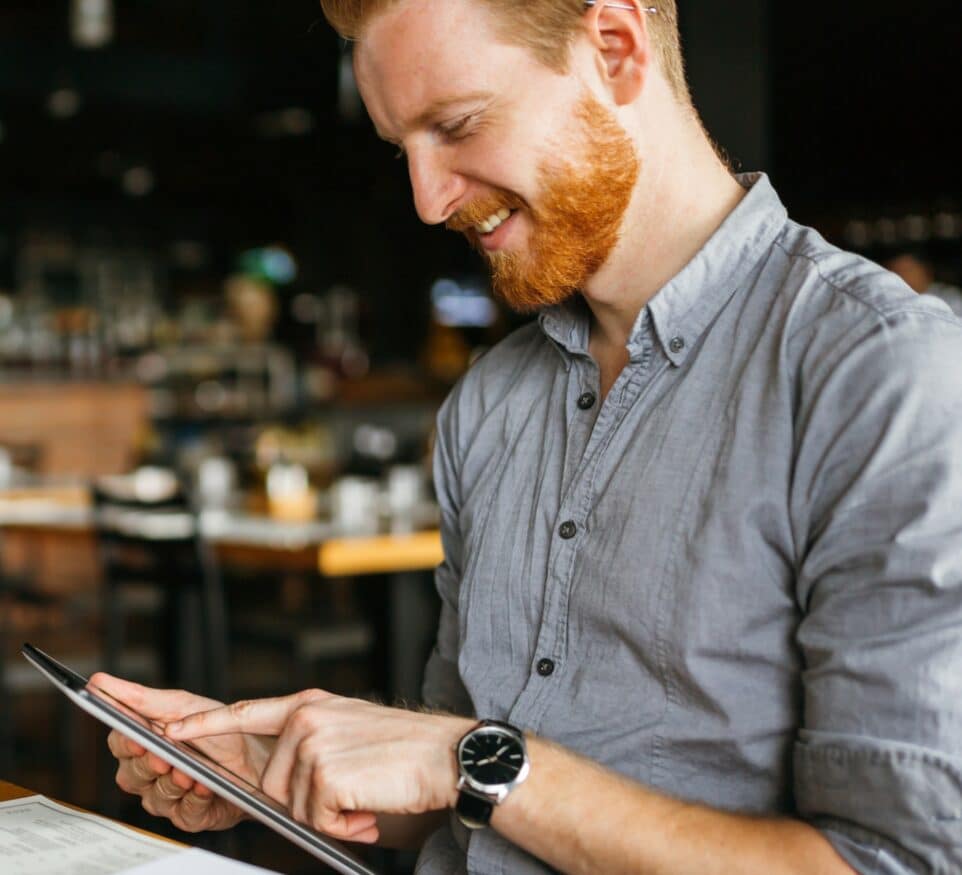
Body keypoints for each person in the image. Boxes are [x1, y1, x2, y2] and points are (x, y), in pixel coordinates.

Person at [96, 0, 962, 872]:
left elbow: (894, 860)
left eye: (457, 125)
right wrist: (285, 770)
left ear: (615, 49)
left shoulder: (883, 375)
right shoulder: (490, 402)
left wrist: (470, 759)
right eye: (406, 149)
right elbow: (455, 806)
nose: (428, 201)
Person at [884, 249, 962, 318]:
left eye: (907, 270)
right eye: (895, 272)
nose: (901, 276)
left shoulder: (949, 296)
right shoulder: (887, 300)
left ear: (925, 271)